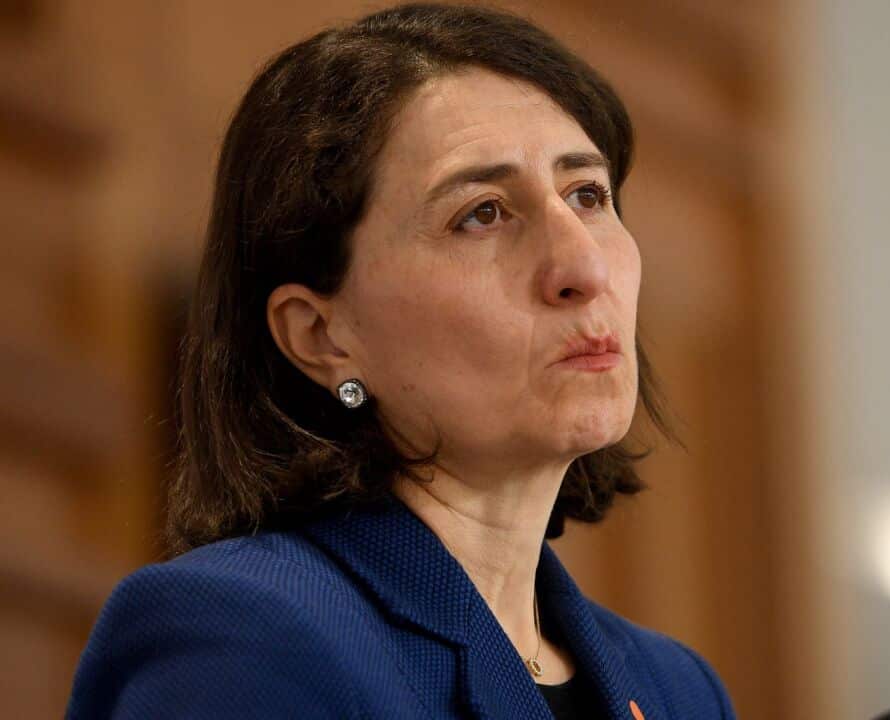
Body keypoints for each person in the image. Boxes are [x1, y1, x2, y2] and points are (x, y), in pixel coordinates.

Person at [65, 4, 736, 719]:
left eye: (588, 195)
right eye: (482, 212)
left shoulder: (680, 691)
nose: (583, 265)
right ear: (321, 336)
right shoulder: (238, 639)